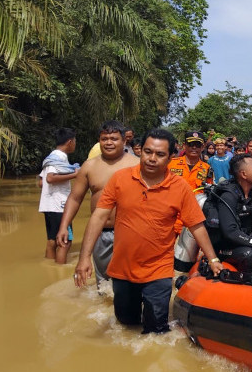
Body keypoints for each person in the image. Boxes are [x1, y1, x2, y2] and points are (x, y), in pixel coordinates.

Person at [73, 129, 224, 333]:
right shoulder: (120, 179)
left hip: (158, 270)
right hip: (122, 269)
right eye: (147, 152)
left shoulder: (180, 187)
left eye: (160, 154)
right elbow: (98, 216)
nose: (152, 159)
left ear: (170, 157)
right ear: (140, 151)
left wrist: (213, 260)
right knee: (126, 326)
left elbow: (196, 225)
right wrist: (84, 258)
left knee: (156, 331)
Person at [56, 121, 139, 287]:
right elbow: (75, 198)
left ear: (124, 141)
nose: (108, 142)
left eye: (114, 138)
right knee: (104, 284)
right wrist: (64, 226)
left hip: (131, 232)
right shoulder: (89, 166)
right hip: (100, 233)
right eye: (104, 138)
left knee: (131, 283)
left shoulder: (138, 165)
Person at [39, 128, 79, 264]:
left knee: (52, 240)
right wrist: (75, 174)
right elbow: (50, 178)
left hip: (48, 205)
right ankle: (59, 269)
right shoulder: (58, 158)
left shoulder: (50, 159)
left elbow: (41, 182)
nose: (75, 144)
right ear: (69, 142)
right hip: (59, 206)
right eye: (74, 141)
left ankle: (49, 267)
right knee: (65, 241)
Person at [168, 131, 211, 234]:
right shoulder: (171, 164)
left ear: (202, 147)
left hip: (193, 221)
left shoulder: (207, 169)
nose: (194, 148)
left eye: (198, 145)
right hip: (171, 218)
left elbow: (208, 194)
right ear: (184, 146)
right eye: (191, 144)